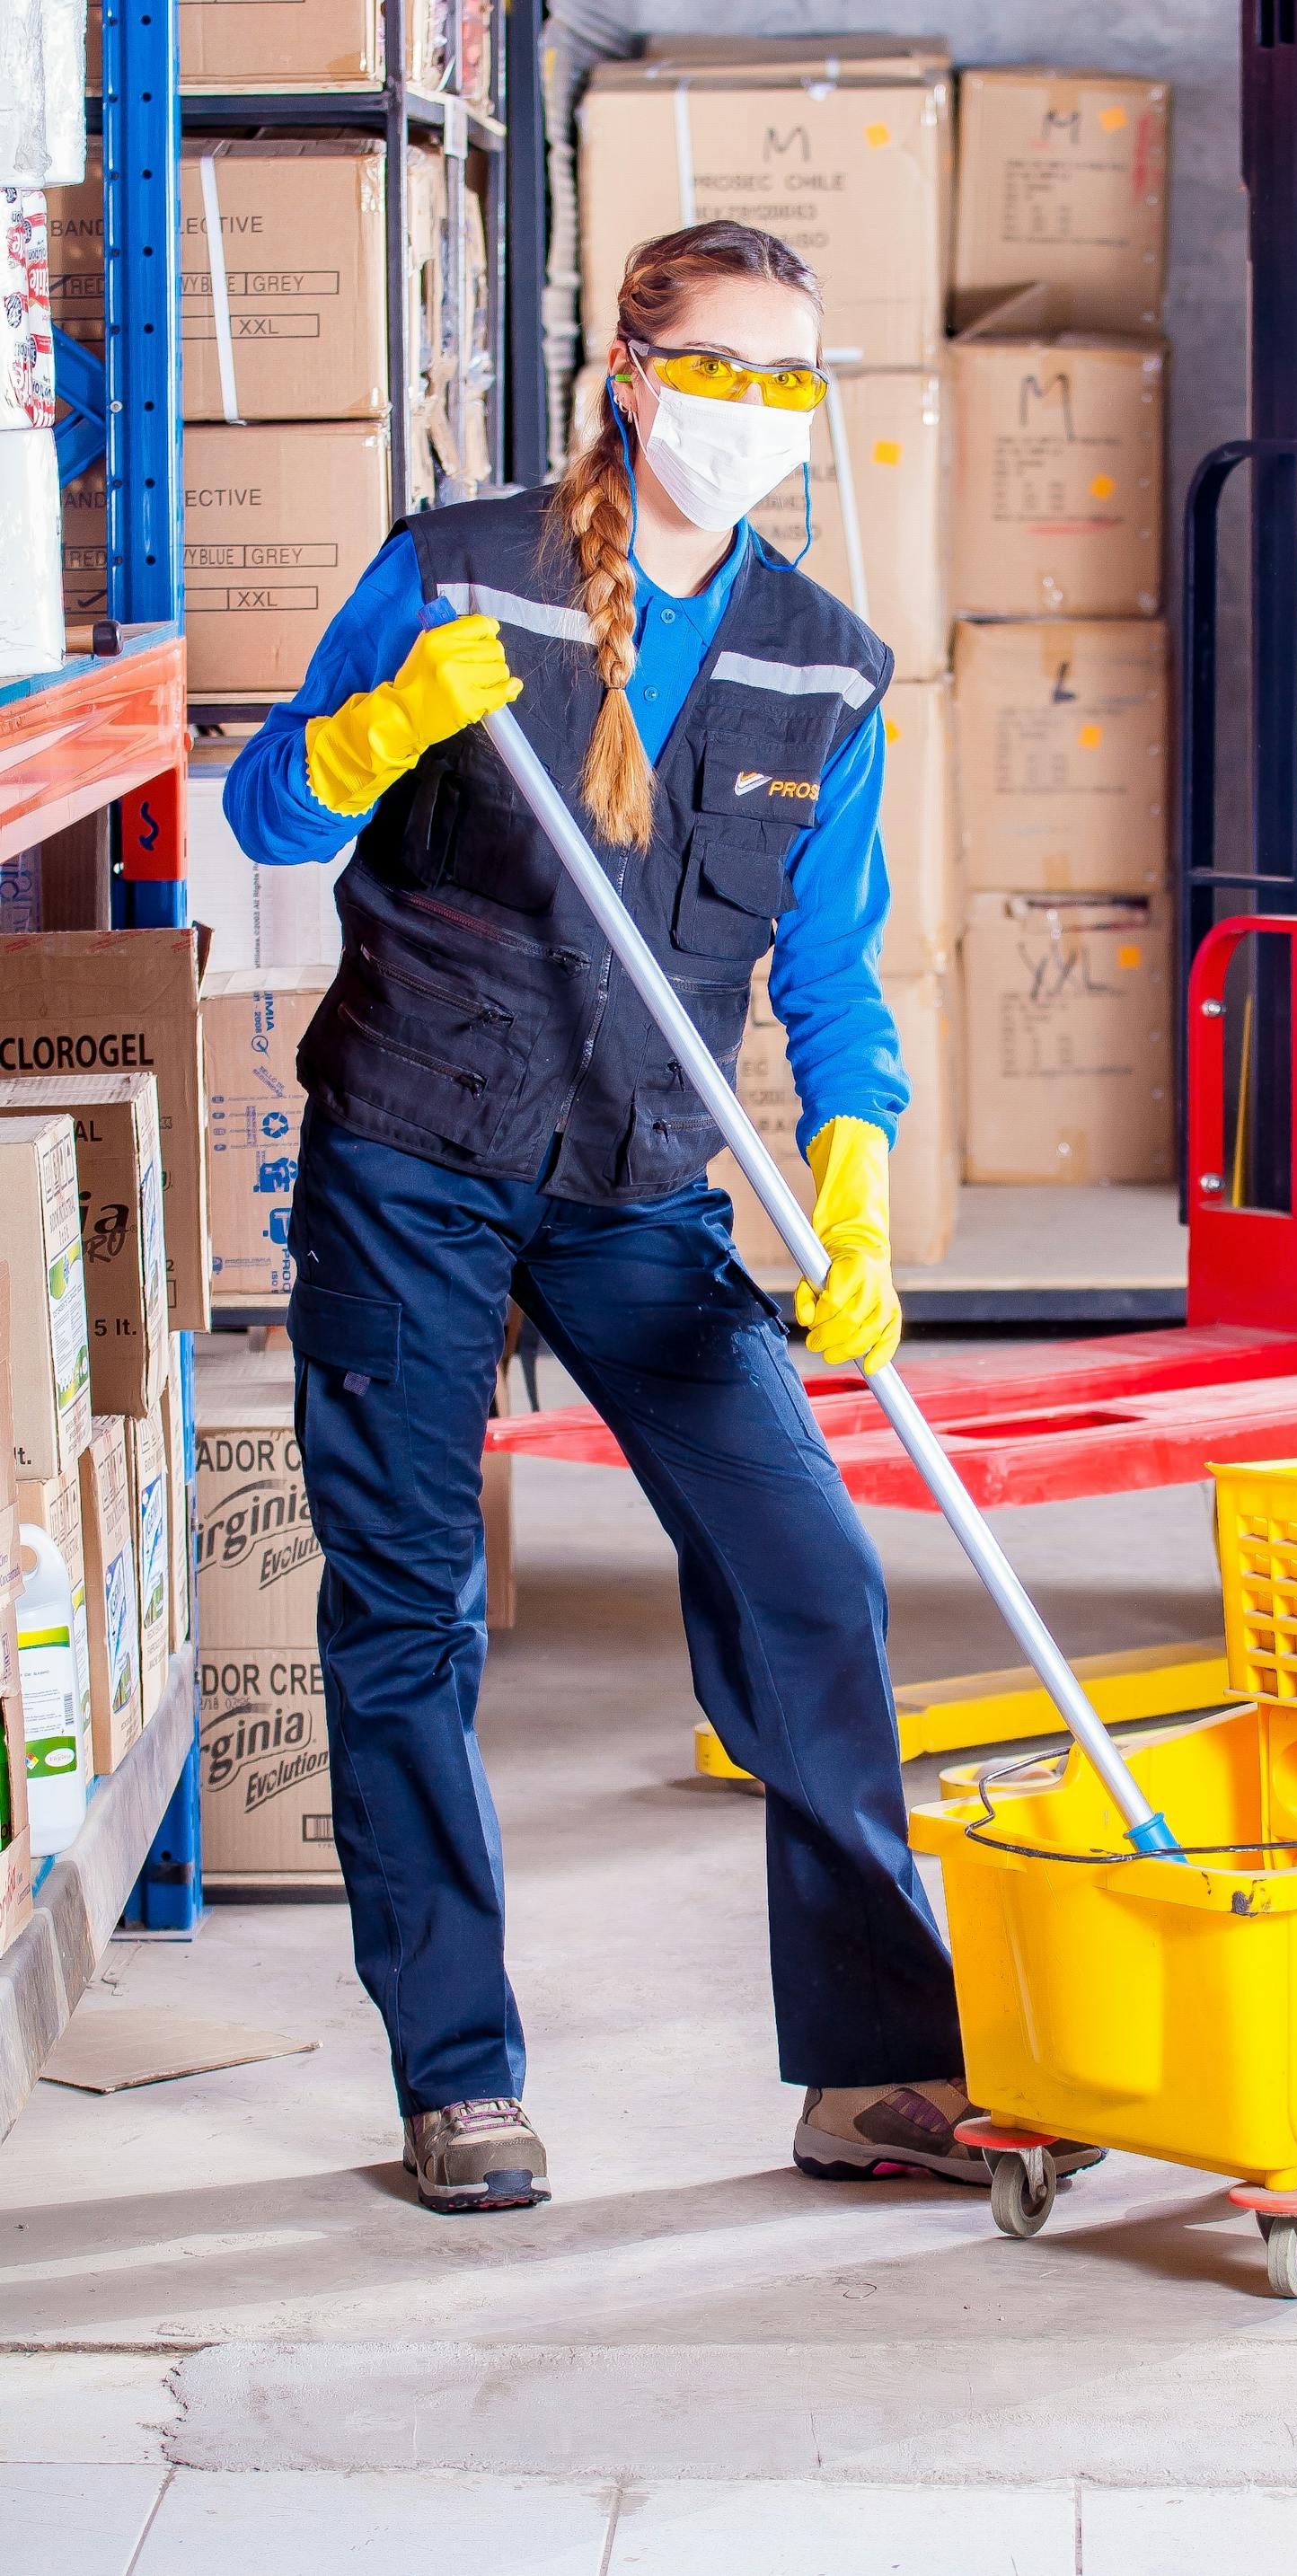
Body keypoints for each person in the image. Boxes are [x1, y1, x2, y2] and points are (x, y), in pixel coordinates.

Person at [225, 220, 1103, 2216]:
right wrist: (373, 732)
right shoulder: (460, 572)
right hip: (416, 1160)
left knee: (811, 1580)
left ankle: (872, 2068)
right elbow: (270, 816)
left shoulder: (822, 656)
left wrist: (858, 1198)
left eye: (794, 381)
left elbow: (836, 979)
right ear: (630, 372)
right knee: (404, 1623)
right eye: (722, 371)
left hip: (638, 1186)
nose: (758, 414)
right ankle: (458, 2077)